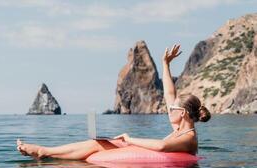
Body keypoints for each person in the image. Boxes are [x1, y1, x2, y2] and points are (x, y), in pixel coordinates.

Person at [16, 44, 211, 160]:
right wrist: (165, 64)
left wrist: (128, 139)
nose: (168, 110)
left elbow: (161, 147)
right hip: (153, 161)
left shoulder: (188, 137)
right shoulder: (180, 127)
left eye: (172, 109)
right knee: (99, 143)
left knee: (99, 146)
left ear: (183, 113)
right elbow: (170, 92)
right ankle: (45, 152)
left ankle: (44, 152)